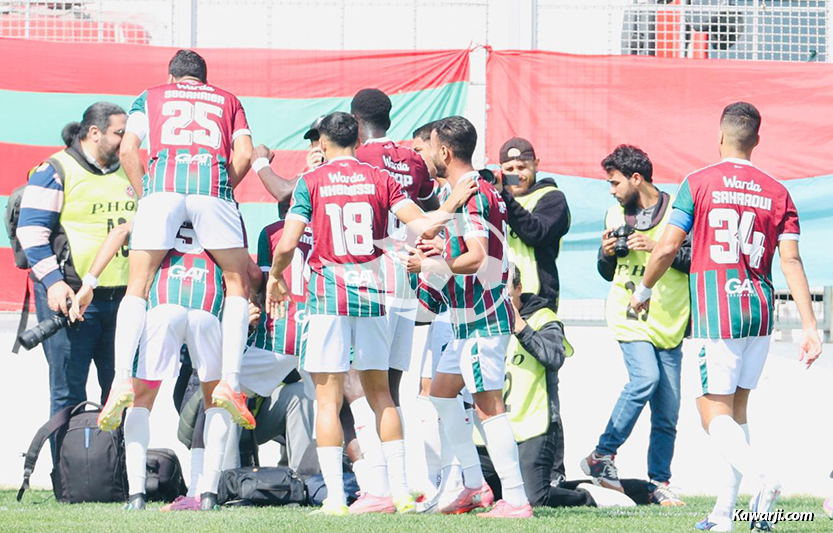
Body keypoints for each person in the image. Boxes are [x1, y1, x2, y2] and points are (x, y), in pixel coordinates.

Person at [265, 112, 473, 516]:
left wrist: (276, 277)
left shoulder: (311, 181)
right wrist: (450, 201)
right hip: (374, 295)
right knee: (382, 396)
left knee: (327, 401)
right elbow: (425, 227)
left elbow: (288, 243)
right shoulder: (381, 179)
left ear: (323, 144)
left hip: (328, 300)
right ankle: (399, 494)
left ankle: (338, 503)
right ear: (358, 140)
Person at [629, 102, 822, 531]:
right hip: (759, 312)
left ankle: (762, 480)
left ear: (719, 137)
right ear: (756, 140)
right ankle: (725, 516)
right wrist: (810, 326)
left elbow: (664, 247)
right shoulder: (778, 191)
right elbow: (791, 262)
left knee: (711, 415)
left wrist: (643, 291)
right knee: (737, 415)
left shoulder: (697, 182)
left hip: (716, 314)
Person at [101, 49, 256, 433]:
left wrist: (147, 193)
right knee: (238, 283)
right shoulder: (228, 99)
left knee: (138, 286)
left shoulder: (152, 95)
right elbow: (246, 154)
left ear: (172, 78)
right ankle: (231, 382)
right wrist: (222, 189)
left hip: (162, 188)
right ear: (204, 79)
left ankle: (121, 377)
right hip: (211, 187)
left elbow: (127, 149)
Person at [406, 116, 533, 519]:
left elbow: (478, 257)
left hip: (482, 317)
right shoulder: (466, 192)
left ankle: (515, 499)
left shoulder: (475, 194)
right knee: (441, 394)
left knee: (487, 406)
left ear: (444, 151)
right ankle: (475, 487)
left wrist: (434, 266)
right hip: (465, 320)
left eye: (427, 147)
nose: (424, 155)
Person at [75, 221, 238, 511]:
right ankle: (209, 494)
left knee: (141, 400)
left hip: (166, 298)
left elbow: (118, 232)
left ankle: (136, 495)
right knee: (216, 401)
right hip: (207, 300)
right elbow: (247, 271)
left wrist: (89, 282)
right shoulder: (218, 209)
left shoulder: (161, 205)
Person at [347, 88, 441, 512]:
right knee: (393, 386)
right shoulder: (413, 160)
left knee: (355, 384)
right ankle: (406, 483)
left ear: (355, 120)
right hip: (407, 281)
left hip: (369, 278)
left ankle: (378, 486)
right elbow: (431, 215)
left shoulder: (357, 161)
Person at [580, 145, 690, 507]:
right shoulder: (615, 212)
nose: (611, 190)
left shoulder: (678, 210)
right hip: (629, 315)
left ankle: (659, 482)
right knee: (645, 379)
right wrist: (605, 253)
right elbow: (608, 271)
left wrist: (658, 245)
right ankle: (603, 454)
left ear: (636, 178)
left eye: (615, 182)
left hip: (670, 319)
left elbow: (693, 259)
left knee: (668, 410)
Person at [17, 103, 134, 425]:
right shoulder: (55, 169)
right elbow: (31, 231)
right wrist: (53, 282)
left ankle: (116, 473)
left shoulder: (130, 169)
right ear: (94, 133)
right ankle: (67, 475)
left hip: (123, 300)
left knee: (121, 395)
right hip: (71, 301)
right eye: (119, 134)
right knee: (68, 396)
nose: (127, 141)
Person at [478, 266, 583, 508]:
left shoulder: (543, 317)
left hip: (532, 426)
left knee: (533, 499)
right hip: (488, 429)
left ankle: (583, 495)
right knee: (481, 495)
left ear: (518, 288)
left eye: (504, 293)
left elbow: (555, 357)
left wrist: (520, 327)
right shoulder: (478, 319)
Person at [496, 137, 570, 311]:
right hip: (499, 294)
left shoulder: (552, 197)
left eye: (522, 167)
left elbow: (536, 233)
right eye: (509, 170)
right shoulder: (496, 200)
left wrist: (504, 197)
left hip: (536, 299)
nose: (517, 175)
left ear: (536, 165)